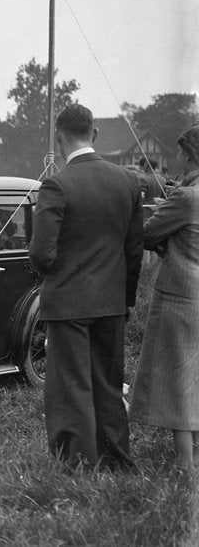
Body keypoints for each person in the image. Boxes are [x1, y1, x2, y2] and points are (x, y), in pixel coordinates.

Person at [29, 103, 143, 472]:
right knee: (109, 384)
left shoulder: (57, 185)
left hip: (67, 304)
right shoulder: (128, 181)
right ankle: (116, 461)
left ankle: (78, 466)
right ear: (94, 133)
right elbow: (134, 251)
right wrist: (125, 299)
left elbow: (41, 255)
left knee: (71, 388)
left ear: (58, 138)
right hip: (112, 302)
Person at [128, 124, 199, 470]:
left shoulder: (185, 197)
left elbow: (147, 234)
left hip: (180, 297)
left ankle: (185, 464)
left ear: (189, 154)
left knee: (177, 381)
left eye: (181, 151)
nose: (177, 156)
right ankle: (194, 454)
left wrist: (162, 214)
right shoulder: (186, 194)